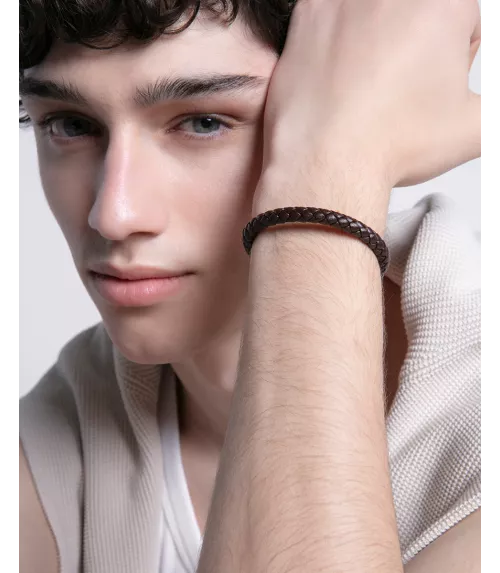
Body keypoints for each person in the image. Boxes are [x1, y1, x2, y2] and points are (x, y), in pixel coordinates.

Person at [16, 0, 484, 572]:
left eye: (204, 122)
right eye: (71, 124)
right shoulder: (57, 435)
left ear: (348, 108)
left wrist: (328, 183)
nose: (114, 215)